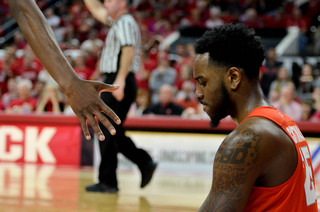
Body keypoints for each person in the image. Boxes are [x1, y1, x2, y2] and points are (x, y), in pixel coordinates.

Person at [193, 23, 317, 211]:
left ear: (234, 77)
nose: (198, 93)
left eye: (203, 82)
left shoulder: (247, 139)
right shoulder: (283, 123)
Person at [7, 0, 121, 141]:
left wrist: (71, 84)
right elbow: (25, 12)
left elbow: (24, 11)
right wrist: (71, 84)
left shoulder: (123, 22)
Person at [83, 0, 157, 193]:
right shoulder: (118, 21)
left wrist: (120, 80)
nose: (105, 3)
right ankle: (143, 161)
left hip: (118, 78)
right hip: (116, 78)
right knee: (112, 130)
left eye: (109, 0)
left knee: (106, 129)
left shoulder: (125, 21)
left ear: (122, 3)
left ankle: (108, 181)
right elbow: (95, 9)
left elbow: (128, 50)